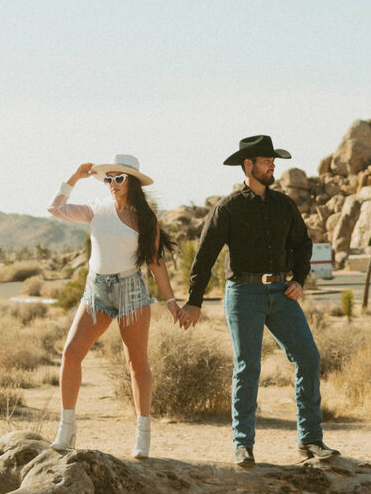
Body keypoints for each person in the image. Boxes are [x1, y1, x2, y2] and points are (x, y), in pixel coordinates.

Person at [180, 135, 339, 468]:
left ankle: (310, 441)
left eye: (273, 161)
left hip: (281, 294)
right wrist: (194, 301)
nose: (273, 166)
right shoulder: (228, 207)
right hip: (243, 294)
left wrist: (299, 279)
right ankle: (243, 445)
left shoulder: (284, 204)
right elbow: (205, 254)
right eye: (267, 161)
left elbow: (302, 244)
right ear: (248, 164)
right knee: (248, 368)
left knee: (308, 357)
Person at [47, 154, 180, 458]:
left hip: (131, 290)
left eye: (118, 178)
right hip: (97, 290)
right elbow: (55, 209)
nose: (112, 184)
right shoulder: (96, 210)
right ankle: (66, 428)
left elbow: (156, 263)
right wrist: (74, 177)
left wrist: (171, 302)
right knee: (70, 354)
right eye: (108, 178)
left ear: (131, 182)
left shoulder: (146, 219)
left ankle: (142, 434)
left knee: (137, 365)